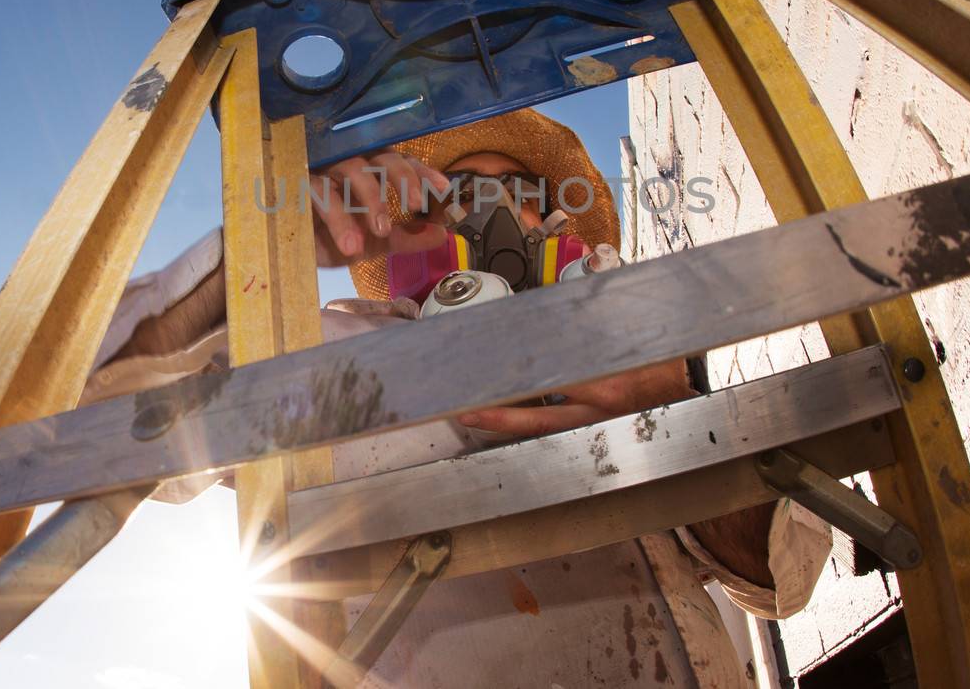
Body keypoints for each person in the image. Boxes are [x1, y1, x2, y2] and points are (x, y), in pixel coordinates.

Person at [83, 108, 831, 687]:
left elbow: (785, 579)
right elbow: (95, 423)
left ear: (558, 224)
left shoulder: (647, 362)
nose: (495, 214)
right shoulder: (326, 352)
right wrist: (247, 263)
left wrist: (671, 415)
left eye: (521, 193)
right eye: (462, 193)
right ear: (413, 226)